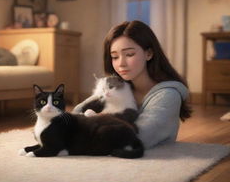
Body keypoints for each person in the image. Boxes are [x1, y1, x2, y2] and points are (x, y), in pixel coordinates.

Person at [73, 20, 192, 149]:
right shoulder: (117, 88)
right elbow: (74, 116)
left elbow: (136, 138)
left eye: (129, 54)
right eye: (114, 57)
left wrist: (92, 123)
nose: (121, 64)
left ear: (149, 53)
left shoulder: (168, 95)